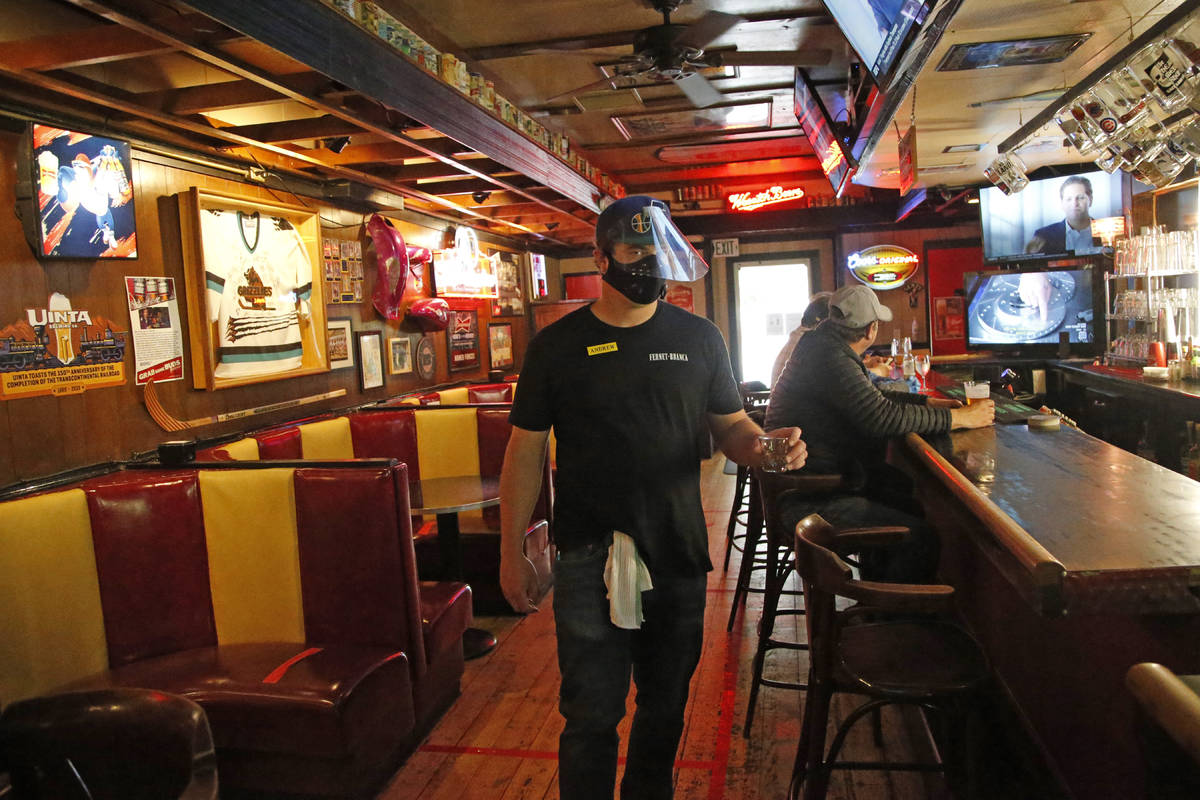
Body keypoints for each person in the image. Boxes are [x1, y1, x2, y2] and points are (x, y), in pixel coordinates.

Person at [499, 195, 806, 800]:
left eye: (656, 252)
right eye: (634, 251)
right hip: (588, 553)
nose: (646, 265)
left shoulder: (700, 338)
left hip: (677, 548)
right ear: (600, 256)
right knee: (590, 713)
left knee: (665, 705)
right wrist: (513, 550)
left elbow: (733, 429)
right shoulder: (555, 346)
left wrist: (767, 448)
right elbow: (525, 451)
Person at [765, 284, 994, 582]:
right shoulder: (829, 355)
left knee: (904, 496)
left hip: (808, 484)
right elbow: (881, 418)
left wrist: (928, 401)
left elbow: (874, 397)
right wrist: (960, 417)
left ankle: (875, 600)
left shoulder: (824, 346)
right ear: (872, 329)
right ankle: (888, 614)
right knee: (919, 534)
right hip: (808, 498)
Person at [771, 292, 893, 387]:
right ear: (827, 322)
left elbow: (835, 377)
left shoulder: (801, 339)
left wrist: (865, 364)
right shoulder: (813, 346)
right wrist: (880, 371)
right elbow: (845, 381)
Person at [1026, 175, 1101, 255]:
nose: (1074, 204)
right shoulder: (1043, 235)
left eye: (1080, 198)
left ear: (1091, 200)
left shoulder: (1109, 231)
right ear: (1062, 204)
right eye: (1069, 199)